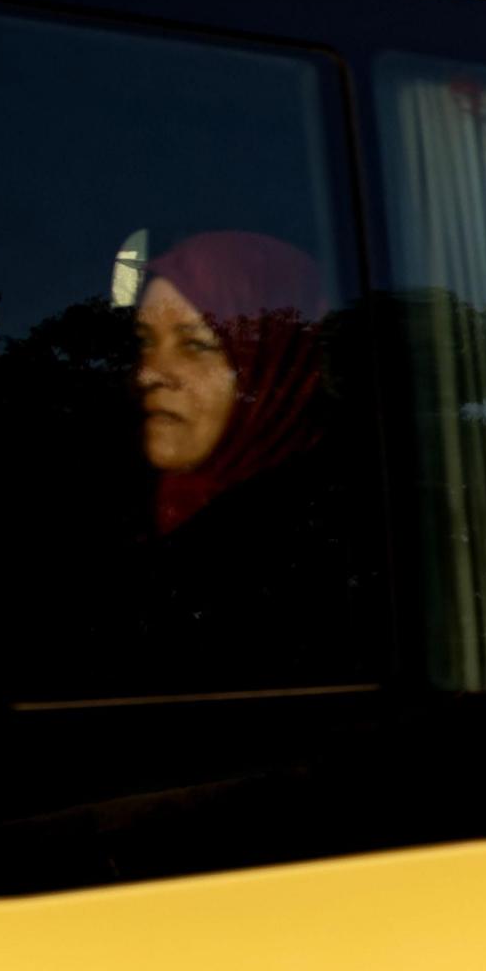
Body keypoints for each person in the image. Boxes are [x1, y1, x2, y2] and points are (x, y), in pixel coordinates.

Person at [123, 231, 373, 686]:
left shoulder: (331, 553)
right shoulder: (126, 514)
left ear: (273, 364)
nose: (149, 374)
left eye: (194, 345)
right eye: (144, 342)